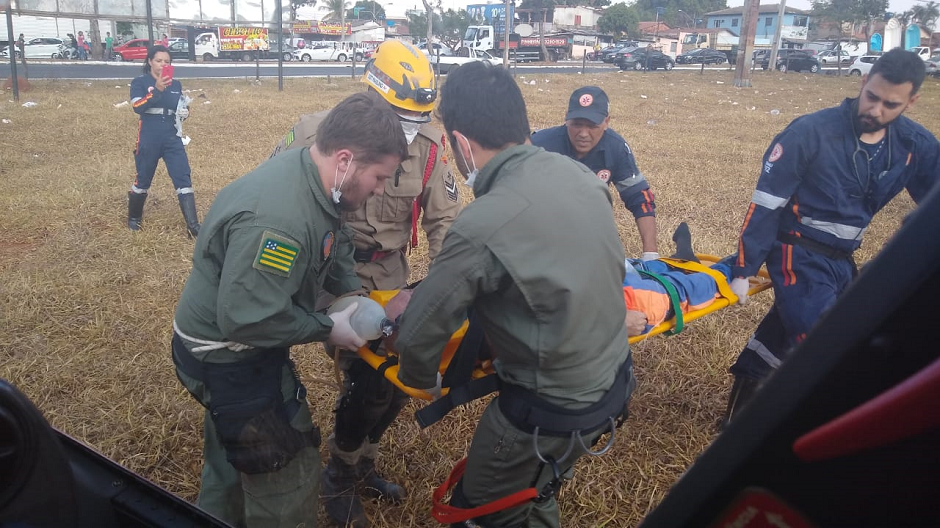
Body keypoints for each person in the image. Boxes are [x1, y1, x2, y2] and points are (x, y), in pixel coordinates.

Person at [388, 62, 636, 528]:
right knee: (536, 488)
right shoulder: (583, 179)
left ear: (461, 144)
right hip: (613, 383)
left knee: (480, 512)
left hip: (545, 414)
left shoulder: (483, 224)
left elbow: (419, 332)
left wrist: (422, 378)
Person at [171, 91, 410, 527]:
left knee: (230, 464)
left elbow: (334, 245)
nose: (379, 189)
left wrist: (355, 297)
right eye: (378, 177)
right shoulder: (278, 224)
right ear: (345, 159)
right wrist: (326, 327)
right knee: (290, 474)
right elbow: (246, 318)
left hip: (215, 342)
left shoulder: (316, 179)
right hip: (226, 355)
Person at [269, 39, 460, 527]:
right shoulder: (316, 133)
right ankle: (339, 475)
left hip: (393, 270)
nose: (409, 130)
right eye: (400, 116)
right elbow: (274, 195)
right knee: (372, 375)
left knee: (401, 380)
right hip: (332, 268)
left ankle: (362, 462)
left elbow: (446, 225)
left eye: (417, 118)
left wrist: (438, 291)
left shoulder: (430, 148)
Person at [723, 49, 940, 426]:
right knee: (827, 345)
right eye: (871, 96)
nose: (875, 110)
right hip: (797, 251)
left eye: (891, 104)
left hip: (841, 258)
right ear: (863, 82)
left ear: (912, 101)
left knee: (793, 330)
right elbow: (766, 204)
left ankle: (738, 415)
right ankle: (793, 430)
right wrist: (744, 267)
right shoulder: (809, 132)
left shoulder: (913, 146)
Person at [530, 86, 659, 260]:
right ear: (566, 119)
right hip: (540, 228)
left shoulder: (616, 148)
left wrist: (650, 254)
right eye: (576, 124)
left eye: (592, 126)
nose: (583, 133)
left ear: (606, 122)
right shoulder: (539, 145)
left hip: (589, 230)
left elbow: (640, 198)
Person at [128, 45, 200, 237]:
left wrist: (186, 112)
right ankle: (134, 219)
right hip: (149, 136)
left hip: (172, 136)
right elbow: (137, 106)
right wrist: (156, 91)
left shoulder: (176, 85)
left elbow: (180, 106)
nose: (162, 64)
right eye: (159, 61)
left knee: (182, 175)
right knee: (143, 178)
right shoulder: (140, 82)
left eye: (167, 62)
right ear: (150, 61)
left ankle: (193, 226)